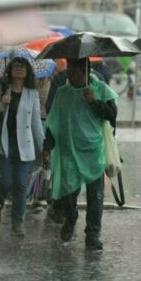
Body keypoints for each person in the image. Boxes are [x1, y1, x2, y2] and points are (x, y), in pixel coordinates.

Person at [42, 57, 118, 249]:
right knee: (68, 193)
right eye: (70, 69)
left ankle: (92, 234)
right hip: (68, 151)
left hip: (93, 152)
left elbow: (112, 114)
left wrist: (94, 102)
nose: (71, 74)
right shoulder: (62, 93)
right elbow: (53, 122)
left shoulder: (99, 88)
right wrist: (46, 146)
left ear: (86, 71)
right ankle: (71, 216)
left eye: (75, 70)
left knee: (96, 196)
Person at [0, 57, 44, 236]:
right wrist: (1, 104)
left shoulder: (32, 93)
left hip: (24, 146)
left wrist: (44, 148)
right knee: (6, 182)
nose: (19, 69)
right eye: (16, 66)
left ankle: (17, 222)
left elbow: (36, 123)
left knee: (20, 186)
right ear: (10, 69)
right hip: (4, 144)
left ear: (27, 71)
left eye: (23, 66)